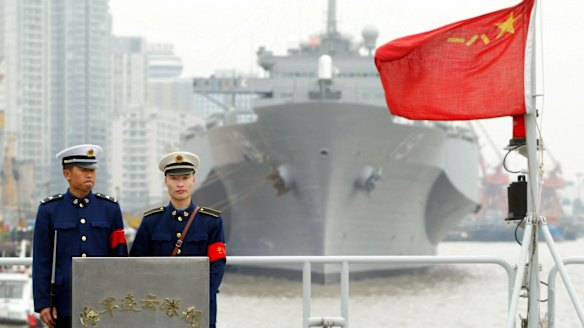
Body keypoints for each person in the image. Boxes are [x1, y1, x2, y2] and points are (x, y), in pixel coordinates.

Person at [33, 144, 128, 328]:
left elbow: (120, 259)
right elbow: (41, 260)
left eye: (92, 169)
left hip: (103, 300)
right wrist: (44, 303)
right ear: (67, 174)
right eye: (83, 169)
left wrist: (120, 297)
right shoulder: (49, 210)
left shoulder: (110, 209)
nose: (90, 174)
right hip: (63, 302)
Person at [130, 151, 226, 328]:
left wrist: (199, 296)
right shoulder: (151, 221)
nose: (180, 184)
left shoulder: (211, 221)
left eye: (185, 177)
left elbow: (217, 266)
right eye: (174, 178)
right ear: (166, 180)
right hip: (158, 308)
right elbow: (137, 265)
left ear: (193, 180)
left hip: (199, 308)